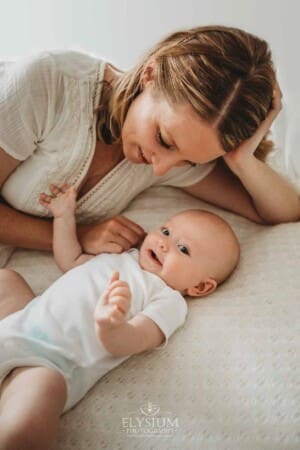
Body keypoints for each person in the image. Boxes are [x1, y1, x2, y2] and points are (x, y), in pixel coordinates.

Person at [0, 25, 299, 263]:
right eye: (164, 140)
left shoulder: (172, 160)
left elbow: (281, 212)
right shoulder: (49, 84)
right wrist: (78, 235)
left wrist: (242, 160)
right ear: (150, 74)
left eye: (189, 162)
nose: (160, 170)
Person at [0, 182, 240, 449]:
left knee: (24, 425)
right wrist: (63, 217)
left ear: (200, 286)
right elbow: (71, 260)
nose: (163, 244)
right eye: (166, 231)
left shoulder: (169, 300)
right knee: (6, 279)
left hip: (52, 363)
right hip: (19, 323)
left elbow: (137, 337)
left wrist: (112, 326)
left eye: (182, 249)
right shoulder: (124, 256)